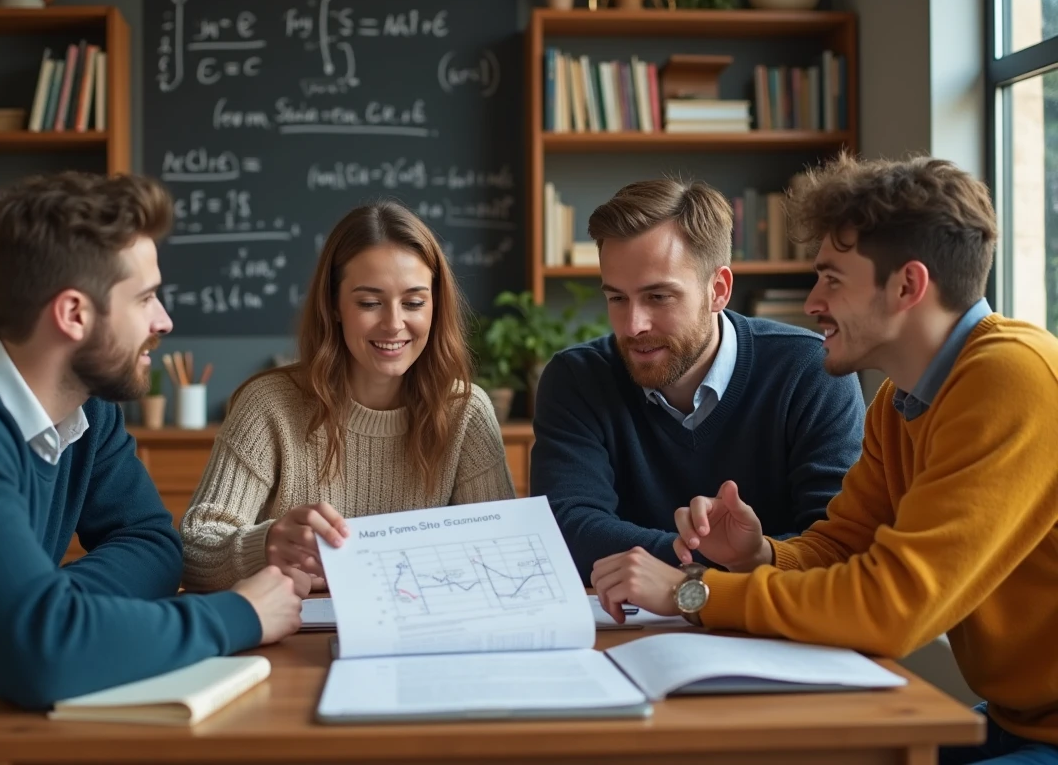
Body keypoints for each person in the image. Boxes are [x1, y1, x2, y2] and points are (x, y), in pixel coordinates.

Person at [590, 154, 1058, 763]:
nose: (812, 304)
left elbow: (893, 607)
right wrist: (760, 555)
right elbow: (844, 545)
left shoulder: (1013, 378)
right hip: (1016, 719)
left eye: (832, 279)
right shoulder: (901, 399)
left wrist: (692, 593)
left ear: (907, 286)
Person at [0, 172, 306, 765]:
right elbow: (43, 659)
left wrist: (33, 611)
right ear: (73, 313)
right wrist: (243, 613)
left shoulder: (86, 404)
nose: (164, 321)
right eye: (145, 298)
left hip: (11, 726)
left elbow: (152, 543)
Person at [532, 177, 866, 582]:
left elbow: (838, 547)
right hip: (629, 630)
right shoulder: (577, 379)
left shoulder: (810, 371)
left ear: (718, 290)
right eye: (617, 298)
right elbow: (567, 531)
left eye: (658, 297)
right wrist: (717, 561)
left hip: (772, 631)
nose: (634, 325)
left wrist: (687, 575)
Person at [179, 200, 516, 593]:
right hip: (294, 637)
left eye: (414, 302)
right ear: (334, 306)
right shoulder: (269, 405)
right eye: (369, 303)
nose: (393, 324)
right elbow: (191, 553)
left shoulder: (465, 412)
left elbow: (504, 558)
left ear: (435, 306)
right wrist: (266, 545)